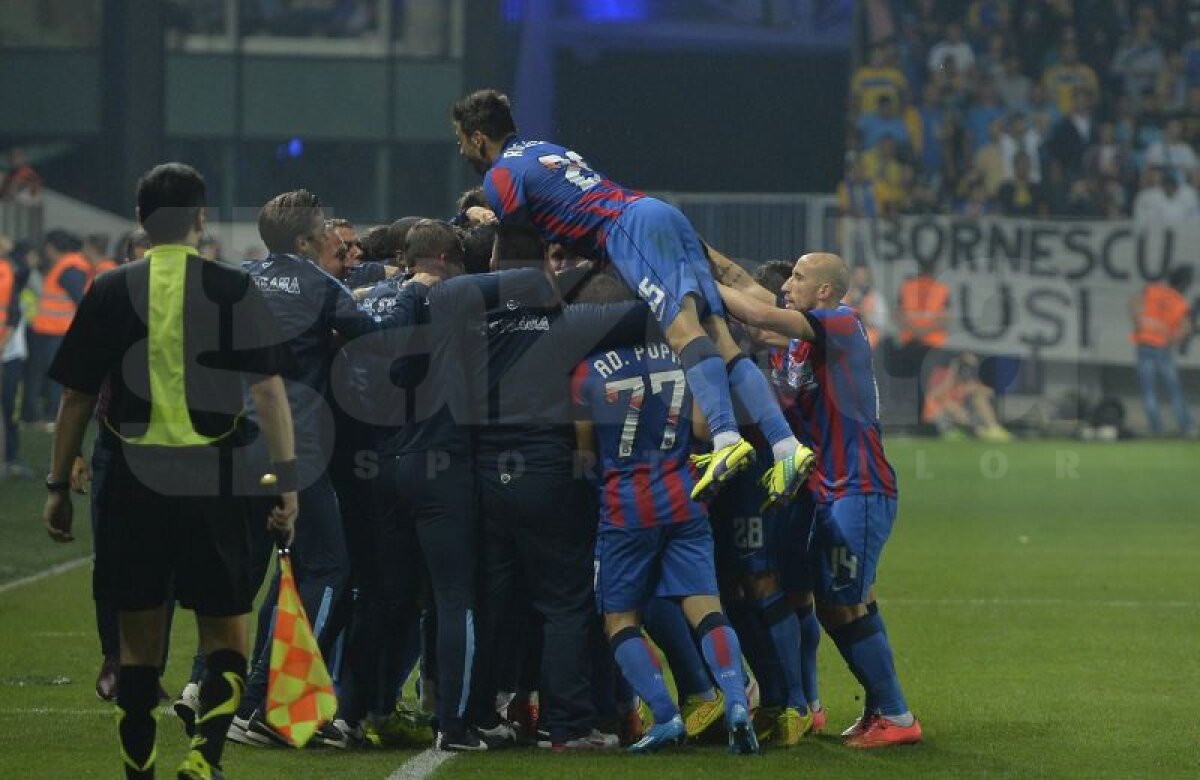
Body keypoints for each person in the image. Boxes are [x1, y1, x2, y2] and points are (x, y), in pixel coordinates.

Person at [39, 162, 299, 780]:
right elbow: (267, 391)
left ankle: (141, 772)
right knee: (225, 633)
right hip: (216, 479)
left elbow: (76, 396)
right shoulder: (234, 287)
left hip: (134, 481)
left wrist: (58, 486)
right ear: (201, 219)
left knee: (137, 645)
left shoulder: (108, 288)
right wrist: (286, 479)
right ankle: (203, 762)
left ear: (140, 221)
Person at [450, 89, 813, 510]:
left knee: (683, 335)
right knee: (719, 337)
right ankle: (786, 446)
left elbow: (521, 247)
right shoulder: (544, 149)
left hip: (629, 231)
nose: (461, 150)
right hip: (654, 214)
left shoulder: (499, 175)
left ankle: (726, 438)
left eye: (460, 140)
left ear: (479, 138)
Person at [715, 252, 922, 749]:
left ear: (825, 291)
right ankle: (877, 707)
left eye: (799, 278)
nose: (787, 285)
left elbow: (759, 314)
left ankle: (897, 714)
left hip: (858, 486)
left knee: (842, 602)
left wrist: (686, 282)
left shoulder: (841, 324)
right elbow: (749, 289)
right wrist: (699, 253)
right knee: (842, 601)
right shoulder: (801, 342)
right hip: (827, 490)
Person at [572, 271, 761, 755]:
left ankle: (665, 716)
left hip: (627, 506)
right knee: (706, 608)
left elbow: (585, 452)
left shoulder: (587, 371)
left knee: (619, 619)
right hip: (685, 497)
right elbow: (702, 425)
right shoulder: (682, 357)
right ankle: (737, 701)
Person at [230, 190, 394, 748]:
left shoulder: (241, 277)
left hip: (236, 440)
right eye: (324, 228)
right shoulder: (319, 284)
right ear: (304, 242)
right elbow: (372, 328)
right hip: (293, 441)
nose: (331, 236)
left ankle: (244, 702)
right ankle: (276, 706)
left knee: (277, 574)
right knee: (330, 568)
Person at [24, 230, 90, 426]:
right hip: (52, 331)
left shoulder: (69, 268)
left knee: (55, 376)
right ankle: (47, 414)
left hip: (57, 332)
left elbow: (80, 300)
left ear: (52, 247)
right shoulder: (68, 265)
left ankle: (53, 415)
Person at [1129, 267, 1196, 436]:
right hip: (1162, 348)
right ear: (1184, 284)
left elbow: (1133, 302)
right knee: (1174, 389)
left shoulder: (1153, 290)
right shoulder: (1181, 302)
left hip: (1144, 345)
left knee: (1149, 390)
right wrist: (1173, 339)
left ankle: (1156, 428)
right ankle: (1186, 426)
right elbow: (1187, 328)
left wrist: (1138, 322)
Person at [922, 352, 1012, 441]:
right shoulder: (941, 372)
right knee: (948, 404)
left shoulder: (966, 379)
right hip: (938, 416)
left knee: (979, 398)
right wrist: (952, 371)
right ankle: (977, 431)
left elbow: (990, 392)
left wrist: (974, 388)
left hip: (963, 417)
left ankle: (993, 429)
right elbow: (934, 395)